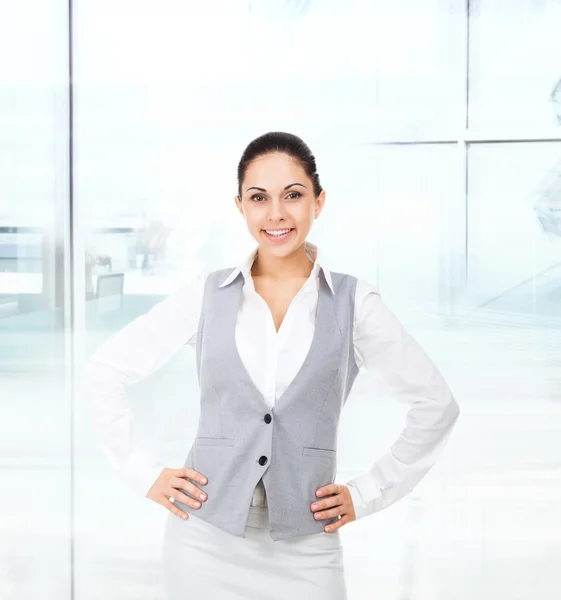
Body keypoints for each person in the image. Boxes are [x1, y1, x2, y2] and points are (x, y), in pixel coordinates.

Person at [83, 131, 460, 599]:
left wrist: (366, 494)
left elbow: (436, 404)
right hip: (204, 542)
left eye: (294, 195)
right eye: (259, 198)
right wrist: (142, 473)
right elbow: (104, 371)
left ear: (318, 203)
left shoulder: (355, 302)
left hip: (307, 549)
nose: (277, 213)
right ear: (240, 207)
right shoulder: (206, 295)